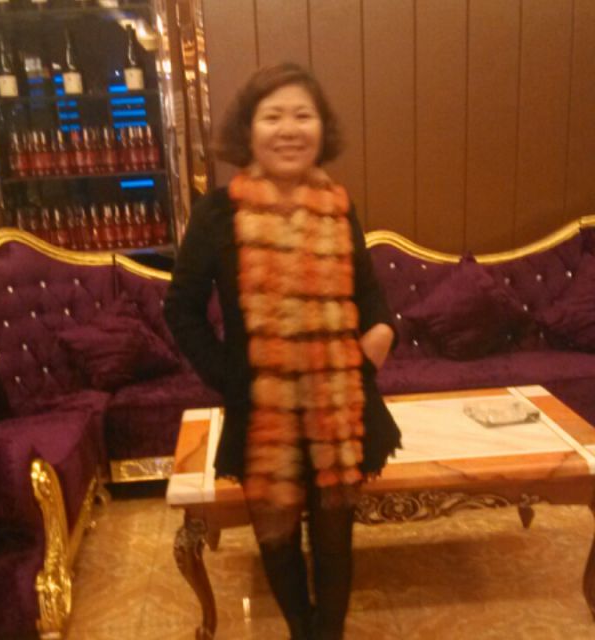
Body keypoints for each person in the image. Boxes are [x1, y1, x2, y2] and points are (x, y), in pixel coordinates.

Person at [165, 62, 401, 640]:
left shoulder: (337, 207)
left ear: (322, 128)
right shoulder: (217, 213)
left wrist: (382, 330)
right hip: (263, 412)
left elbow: (369, 292)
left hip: (337, 407)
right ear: (249, 130)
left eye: (302, 115)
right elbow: (182, 310)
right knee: (277, 540)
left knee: (335, 539)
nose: (289, 129)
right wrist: (231, 376)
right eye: (273, 116)